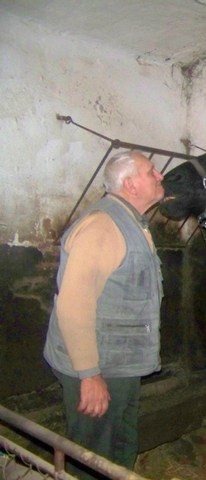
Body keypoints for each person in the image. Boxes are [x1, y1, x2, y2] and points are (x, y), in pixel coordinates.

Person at [44, 150, 165, 478]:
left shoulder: (130, 222)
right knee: (93, 454)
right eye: (151, 171)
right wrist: (89, 375)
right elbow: (73, 305)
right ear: (131, 185)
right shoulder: (103, 226)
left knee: (120, 444)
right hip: (99, 367)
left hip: (119, 363)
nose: (160, 176)